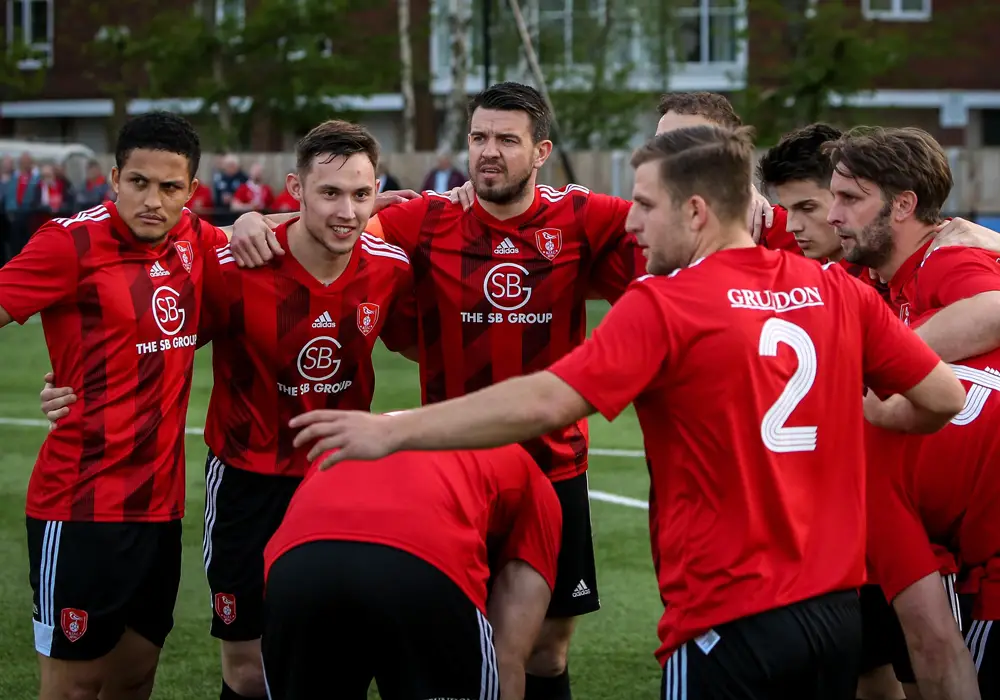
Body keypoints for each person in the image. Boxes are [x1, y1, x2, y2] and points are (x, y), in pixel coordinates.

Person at [284, 125, 968, 699]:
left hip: (725, 618)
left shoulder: (667, 303)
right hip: (835, 614)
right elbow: (941, 395)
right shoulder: (833, 288)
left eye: (644, 204)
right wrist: (870, 421)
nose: (631, 221)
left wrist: (392, 430)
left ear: (695, 211)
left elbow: (548, 399)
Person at [232, 81, 646, 700]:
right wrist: (252, 220)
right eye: (479, 137)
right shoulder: (424, 219)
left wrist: (746, 199)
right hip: (455, 470)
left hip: (556, 462)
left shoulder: (584, 216)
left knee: (545, 652)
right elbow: (331, 220)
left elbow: (669, 221)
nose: (488, 152)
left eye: (507, 140)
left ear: (541, 152)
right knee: (461, 646)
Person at [0, 112, 228, 700]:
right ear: (113, 178)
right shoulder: (67, 243)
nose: (153, 200)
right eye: (139, 182)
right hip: (78, 508)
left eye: (170, 187)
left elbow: (281, 232)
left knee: (134, 680)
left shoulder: (196, 240)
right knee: (73, 689)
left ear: (191, 192)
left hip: (157, 510)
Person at [198, 120, 413, 700]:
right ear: (294, 188)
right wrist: (67, 386)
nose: (347, 210)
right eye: (330, 192)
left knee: (331, 655)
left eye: (362, 194)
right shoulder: (233, 268)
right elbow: (158, 346)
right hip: (247, 481)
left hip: (338, 483)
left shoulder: (390, 267)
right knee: (247, 671)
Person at [827, 125, 1000, 700]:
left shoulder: (948, 258)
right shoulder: (881, 283)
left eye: (849, 198)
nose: (831, 215)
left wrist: (882, 359)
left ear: (904, 205)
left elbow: (997, 309)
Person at [261, 440, 562, 700]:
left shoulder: (360, 438)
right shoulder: (533, 483)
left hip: (296, 566)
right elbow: (508, 654)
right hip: (420, 565)